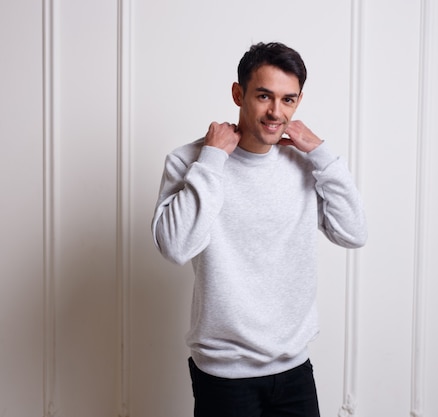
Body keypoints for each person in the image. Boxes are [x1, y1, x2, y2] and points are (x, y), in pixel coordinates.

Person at [151, 42, 367, 417]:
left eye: (288, 100)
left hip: (294, 369)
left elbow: (353, 232)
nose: (275, 112)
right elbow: (174, 247)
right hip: (224, 375)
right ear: (239, 93)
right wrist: (213, 159)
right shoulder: (192, 162)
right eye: (264, 96)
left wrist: (322, 155)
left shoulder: (303, 163)